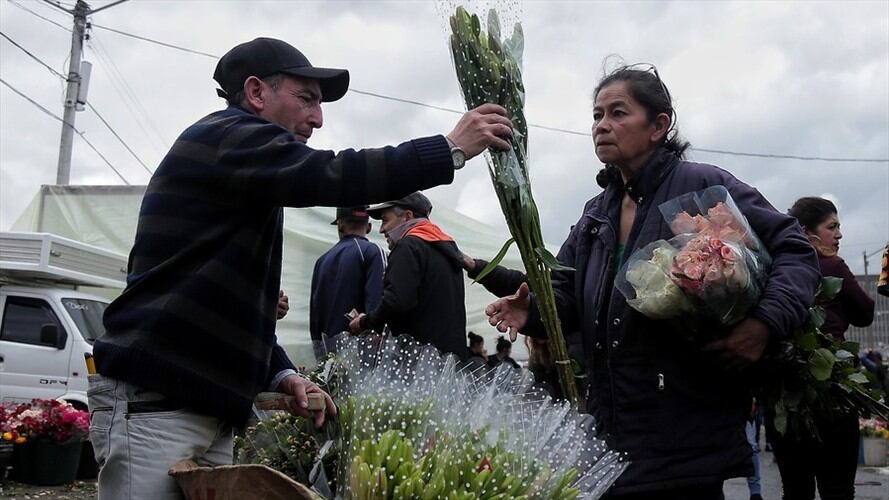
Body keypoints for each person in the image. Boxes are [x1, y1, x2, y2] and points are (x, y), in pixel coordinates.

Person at [89, 37, 512, 500]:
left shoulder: (245, 177)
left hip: (198, 407)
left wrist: (280, 373)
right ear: (256, 92)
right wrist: (448, 149)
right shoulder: (227, 136)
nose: (318, 118)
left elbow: (224, 301)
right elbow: (330, 174)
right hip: (157, 403)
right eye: (307, 99)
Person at [484, 63, 820, 498]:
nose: (601, 125)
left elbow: (795, 250)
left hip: (685, 438)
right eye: (597, 115)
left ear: (658, 126)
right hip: (613, 436)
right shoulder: (595, 215)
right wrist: (531, 313)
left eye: (618, 113)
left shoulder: (704, 187)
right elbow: (567, 295)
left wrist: (763, 324)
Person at [765, 196, 876, 500]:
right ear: (806, 232)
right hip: (832, 393)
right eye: (832, 227)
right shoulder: (832, 265)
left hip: (784, 392)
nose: (839, 235)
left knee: (795, 490)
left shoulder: (772, 268)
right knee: (837, 488)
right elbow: (865, 313)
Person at [348, 192, 470, 358]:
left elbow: (396, 303)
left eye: (385, 220)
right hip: (449, 358)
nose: (382, 229)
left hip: (420, 361)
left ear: (407, 216)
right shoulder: (446, 249)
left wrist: (364, 322)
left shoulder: (408, 247)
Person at [309, 206, 386, 360]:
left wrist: (321, 356)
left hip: (329, 355)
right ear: (369, 227)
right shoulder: (372, 252)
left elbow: (315, 313)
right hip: (361, 353)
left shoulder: (322, 261)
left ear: (340, 225)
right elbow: (377, 301)